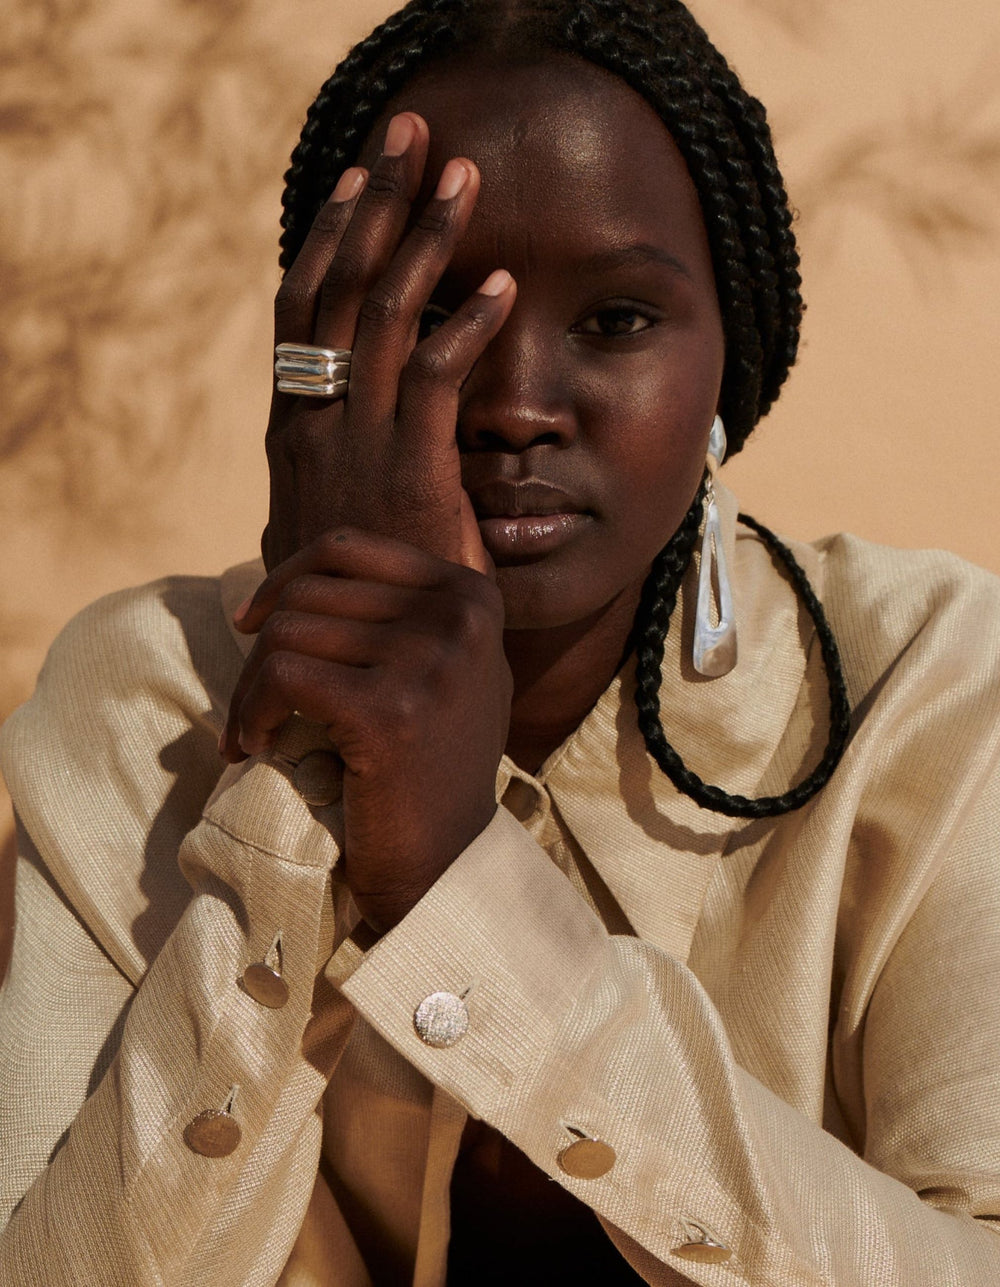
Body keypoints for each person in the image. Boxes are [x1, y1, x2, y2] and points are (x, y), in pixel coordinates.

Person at [2, 0, 999, 1282]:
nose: (516, 404)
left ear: (728, 365)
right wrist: (313, 759)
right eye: (430, 317)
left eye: (618, 320)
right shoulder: (141, 695)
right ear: (325, 347)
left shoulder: (936, 687)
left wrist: (455, 880)